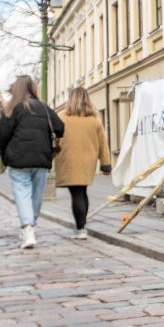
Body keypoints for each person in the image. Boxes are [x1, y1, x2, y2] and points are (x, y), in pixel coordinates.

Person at [0, 75, 64, 249]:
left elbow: (2, 135)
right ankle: (29, 226)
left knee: (22, 194)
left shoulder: (11, 109)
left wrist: (5, 158)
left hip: (18, 159)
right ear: (33, 88)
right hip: (41, 159)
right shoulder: (43, 107)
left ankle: (27, 228)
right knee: (36, 196)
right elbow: (60, 127)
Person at [55, 87, 110, 240]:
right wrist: (106, 164)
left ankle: (80, 229)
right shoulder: (94, 119)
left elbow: (54, 140)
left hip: (68, 160)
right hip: (88, 160)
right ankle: (82, 226)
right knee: (82, 191)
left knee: (77, 194)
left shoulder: (61, 117)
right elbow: (102, 143)